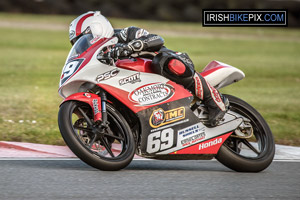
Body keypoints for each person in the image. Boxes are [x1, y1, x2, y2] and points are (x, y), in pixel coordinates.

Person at [69, 11, 227, 126]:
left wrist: (130, 46)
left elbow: (157, 39)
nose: (84, 43)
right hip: (141, 87)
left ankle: (214, 100)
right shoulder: (99, 54)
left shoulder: (125, 34)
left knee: (166, 62)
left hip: (169, 64)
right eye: (78, 41)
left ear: (96, 29)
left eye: (84, 37)